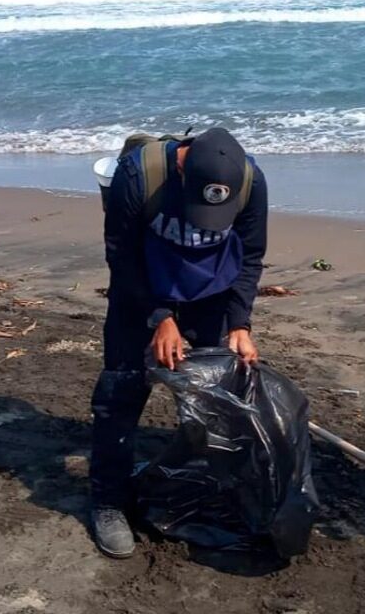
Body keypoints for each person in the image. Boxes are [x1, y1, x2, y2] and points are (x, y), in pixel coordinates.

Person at [89, 127, 267, 558]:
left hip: (210, 297)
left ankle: (199, 485)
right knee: (121, 393)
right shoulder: (139, 177)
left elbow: (251, 254)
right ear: (183, 170)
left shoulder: (251, 182)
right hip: (142, 292)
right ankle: (109, 501)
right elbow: (122, 256)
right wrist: (161, 317)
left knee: (210, 397)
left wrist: (239, 324)